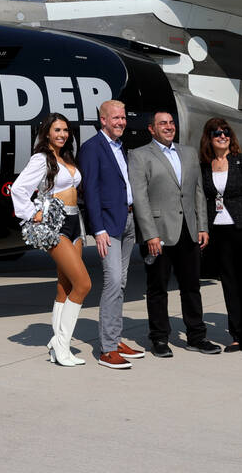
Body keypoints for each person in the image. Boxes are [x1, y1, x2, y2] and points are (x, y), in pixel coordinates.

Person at [128, 111, 221, 357]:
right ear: (151, 129)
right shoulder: (139, 156)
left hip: (188, 231)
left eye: (171, 123)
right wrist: (150, 235)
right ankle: (159, 338)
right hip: (158, 234)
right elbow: (140, 198)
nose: (169, 127)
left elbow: (198, 192)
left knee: (191, 287)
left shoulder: (188, 153)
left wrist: (202, 226)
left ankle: (197, 336)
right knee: (157, 289)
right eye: (163, 124)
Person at [11, 113, 92, 366]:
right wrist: (32, 213)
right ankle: (62, 344)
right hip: (55, 225)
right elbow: (18, 188)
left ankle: (58, 341)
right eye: (57, 130)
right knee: (84, 284)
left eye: (65, 130)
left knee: (65, 285)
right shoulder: (41, 159)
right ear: (47, 132)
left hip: (74, 222)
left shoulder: (65, 157)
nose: (62, 134)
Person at [78, 100, 146, 370]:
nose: (121, 122)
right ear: (102, 120)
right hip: (109, 225)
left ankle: (116, 340)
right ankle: (107, 348)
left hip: (128, 219)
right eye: (115, 118)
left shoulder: (121, 147)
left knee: (122, 282)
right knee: (113, 280)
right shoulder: (92, 148)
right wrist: (99, 229)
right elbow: (90, 191)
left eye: (123, 118)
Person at [199, 117, 242, 355]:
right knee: (229, 285)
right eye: (217, 133)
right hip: (219, 231)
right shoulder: (205, 166)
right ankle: (236, 335)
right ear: (209, 137)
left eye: (226, 132)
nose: (222, 136)